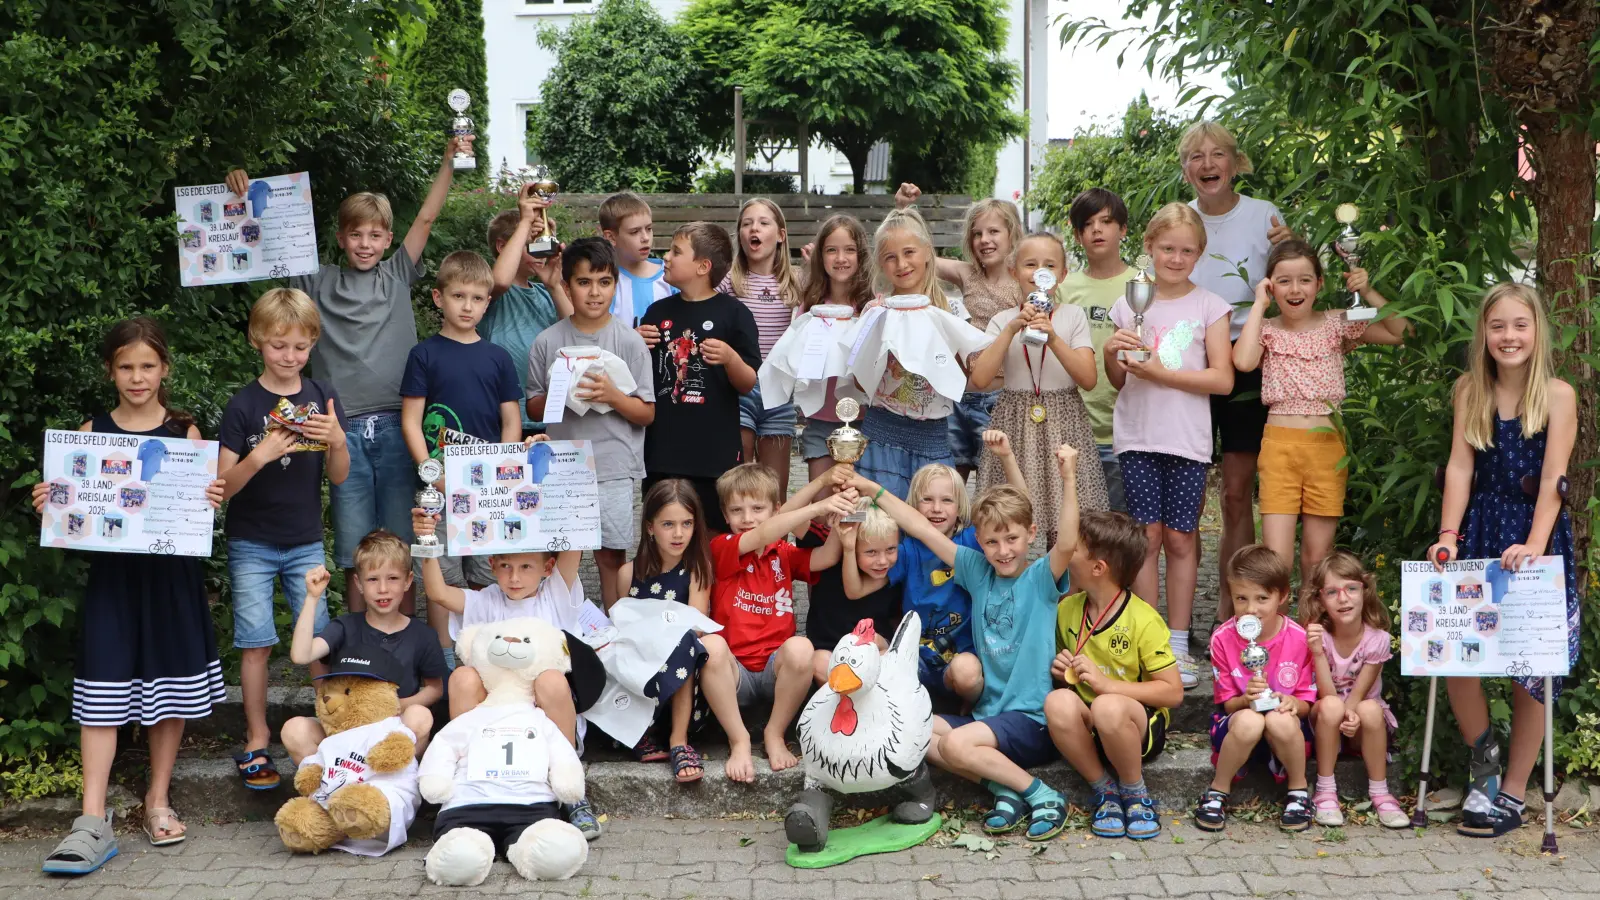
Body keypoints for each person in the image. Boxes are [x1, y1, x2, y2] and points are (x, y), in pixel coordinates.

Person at [226, 134, 469, 615]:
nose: (365, 243)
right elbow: (278, 235)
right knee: (356, 551)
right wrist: (245, 192)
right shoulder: (316, 281)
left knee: (403, 545)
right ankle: (360, 647)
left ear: (387, 238)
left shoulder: (399, 273)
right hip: (340, 433)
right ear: (340, 238)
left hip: (402, 429)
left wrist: (448, 161)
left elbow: (425, 218)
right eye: (356, 234)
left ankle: (404, 643)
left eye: (376, 235)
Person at [33, 318, 227, 873]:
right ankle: (92, 819)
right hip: (113, 581)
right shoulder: (89, 430)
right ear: (110, 371)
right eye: (125, 366)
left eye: (147, 365)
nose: (137, 377)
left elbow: (198, 508)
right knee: (102, 688)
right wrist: (53, 500)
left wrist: (208, 496)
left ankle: (156, 800)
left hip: (171, 580)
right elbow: (76, 511)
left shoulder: (186, 432)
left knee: (170, 687)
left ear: (164, 368)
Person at [840, 445, 1080, 842]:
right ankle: (1005, 791)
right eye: (992, 543)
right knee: (911, 730)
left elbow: (1068, 544)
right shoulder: (974, 570)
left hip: (1030, 720)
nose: (1003, 551)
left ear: (1031, 536)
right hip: (988, 716)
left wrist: (1068, 477)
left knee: (954, 744)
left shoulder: (1040, 578)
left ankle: (1044, 795)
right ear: (978, 543)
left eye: (1012, 540)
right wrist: (870, 488)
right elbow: (919, 528)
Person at [1427, 282, 1578, 838]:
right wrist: (1449, 534)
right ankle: (1484, 759)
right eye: (1498, 326)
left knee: (1529, 667)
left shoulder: (1558, 395)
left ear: (1537, 331)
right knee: (1456, 653)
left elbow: (1554, 479)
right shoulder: (1470, 389)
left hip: (1535, 536)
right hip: (1481, 532)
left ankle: (1514, 792)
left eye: (1519, 325)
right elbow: (1460, 468)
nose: (1508, 336)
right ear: (1483, 334)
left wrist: (1536, 544)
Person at [411, 502, 610, 840]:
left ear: (547, 567)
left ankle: (571, 794)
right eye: (505, 566)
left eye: (526, 567)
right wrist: (428, 539)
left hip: (542, 714)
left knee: (550, 679)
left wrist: (549, 470)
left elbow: (573, 532)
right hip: (495, 713)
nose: (514, 577)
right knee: (462, 677)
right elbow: (437, 593)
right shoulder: (485, 599)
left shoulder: (558, 594)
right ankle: (465, 773)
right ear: (491, 564)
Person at [217, 288, 350, 792]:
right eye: (278, 345)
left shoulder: (322, 397)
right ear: (257, 341)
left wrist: (337, 440)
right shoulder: (243, 405)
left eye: (298, 346)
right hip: (250, 540)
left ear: (312, 343)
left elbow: (339, 476)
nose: (288, 356)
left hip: (304, 540)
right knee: (256, 644)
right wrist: (261, 454)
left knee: (318, 639)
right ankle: (257, 738)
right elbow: (223, 487)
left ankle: (333, 732)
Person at [1103, 203, 1234, 689]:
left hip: (1187, 441)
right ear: (1149, 248)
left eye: (1186, 250)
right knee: (1148, 539)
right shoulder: (1130, 301)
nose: (1176, 258)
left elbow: (1222, 379)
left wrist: (1160, 372)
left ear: (1199, 254)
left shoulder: (1210, 306)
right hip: (1137, 436)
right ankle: (1149, 640)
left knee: (1181, 539)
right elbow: (1118, 380)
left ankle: (1178, 642)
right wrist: (1110, 352)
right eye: (1166, 249)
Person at [1176, 121, 1295, 622]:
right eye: (1197, 156)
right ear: (1185, 169)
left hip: (1249, 358)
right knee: (1191, 490)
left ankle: (1234, 604)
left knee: (1236, 489)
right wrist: (1158, 362)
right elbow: (1172, 298)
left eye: (1217, 154)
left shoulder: (1265, 215)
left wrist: (1290, 246)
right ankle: (1173, 621)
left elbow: (1293, 285)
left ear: (1235, 161)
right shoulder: (1181, 222)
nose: (1208, 164)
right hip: (1196, 361)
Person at [1234, 239, 1406, 579]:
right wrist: (1258, 305)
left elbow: (1402, 332)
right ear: (1270, 284)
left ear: (1320, 283)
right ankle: (1277, 632)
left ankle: (1313, 632)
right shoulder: (1267, 330)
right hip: (1279, 446)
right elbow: (1242, 361)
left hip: (1327, 446)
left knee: (1316, 557)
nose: (1295, 289)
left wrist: (1367, 289)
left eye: (1305, 279)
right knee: (1276, 562)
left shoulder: (1336, 323)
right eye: (1283, 280)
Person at [401, 250, 525, 667]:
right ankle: (444, 657)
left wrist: (502, 473)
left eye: (477, 297)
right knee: (442, 571)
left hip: (487, 488)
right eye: (458, 296)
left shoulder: (498, 357)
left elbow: (511, 421)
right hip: (437, 488)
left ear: (488, 301)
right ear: (439, 298)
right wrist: (433, 477)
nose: (467, 305)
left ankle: (487, 652)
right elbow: (412, 422)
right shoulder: (423, 354)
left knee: (489, 572)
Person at [526, 238, 654, 612]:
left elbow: (647, 413)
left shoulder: (630, 342)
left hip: (614, 465)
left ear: (616, 284)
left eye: (603, 281)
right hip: (562, 465)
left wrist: (612, 395)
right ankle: (555, 627)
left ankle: (614, 630)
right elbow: (534, 404)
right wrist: (560, 388)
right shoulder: (547, 341)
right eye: (583, 282)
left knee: (611, 555)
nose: (594, 292)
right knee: (556, 552)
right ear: (566, 286)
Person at [709, 463, 856, 771]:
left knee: (802, 647)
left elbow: (825, 558)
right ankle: (739, 741)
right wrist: (818, 500)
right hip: (734, 672)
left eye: (757, 508)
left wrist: (840, 529)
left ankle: (774, 734)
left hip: (776, 670)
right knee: (710, 647)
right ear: (725, 516)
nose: (747, 518)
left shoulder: (783, 552)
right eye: (737, 510)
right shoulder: (722, 546)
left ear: (774, 509)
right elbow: (765, 530)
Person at [1044, 511, 1180, 841]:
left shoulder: (1143, 619)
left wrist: (1107, 686)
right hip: (1091, 730)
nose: (1063, 551)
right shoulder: (1067, 609)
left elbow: (1173, 693)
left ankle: (1134, 792)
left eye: (1072, 548)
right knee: (1057, 702)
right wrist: (1061, 672)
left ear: (1098, 568)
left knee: (1108, 705)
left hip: (1136, 727)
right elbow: (1064, 681)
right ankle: (1104, 790)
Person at [970, 231, 1107, 533]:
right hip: (1014, 422)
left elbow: (1088, 378)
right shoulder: (1001, 319)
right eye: (1030, 264)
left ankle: (1060, 579)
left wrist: (1054, 337)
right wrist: (1009, 330)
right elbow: (980, 378)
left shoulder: (1072, 316)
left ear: (1063, 274)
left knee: (1066, 521)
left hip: (1064, 421)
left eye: (1050, 265)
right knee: (1008, 517)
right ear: (1013, 271)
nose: (1039, 272)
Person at [619, 480, 753, 783]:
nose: (679, 533)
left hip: (684, 680)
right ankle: (638, 730)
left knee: (684, 641)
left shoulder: (697, 570)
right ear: (650, 527)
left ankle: (678, 740)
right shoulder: (628, 574)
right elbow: (620, 625)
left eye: (687, 523)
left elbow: (695, 625)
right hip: (642, 672)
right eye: (668, 524)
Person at [851, 208, 990, 500]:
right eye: (890, 257)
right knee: (878, 529)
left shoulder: (951, 311)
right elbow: (861, 381)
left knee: (930, 527)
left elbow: (961, 379)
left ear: (928, 252)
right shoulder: (875, 312)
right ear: (880, 263)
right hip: (881, 432)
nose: (901, 264)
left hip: (932, 436)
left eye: (909, 252)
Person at [636, 223, 761, 535]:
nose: (666, 257)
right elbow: (638, 373)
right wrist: (634, 341)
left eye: (676, 251)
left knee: (715, 539)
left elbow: (748, 382)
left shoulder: (735, 314)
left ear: (703, 266)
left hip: (714, 457)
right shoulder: (655, 311)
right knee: (664, 535)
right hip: (662, 453)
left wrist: (731, 359)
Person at [843, 458, 996, 711]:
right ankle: (895, 715)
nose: (937, 508)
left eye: (947, 500)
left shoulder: (972, 540)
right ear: (913, 506)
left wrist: (1006, 458)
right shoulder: (908, 551)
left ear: (960, 506)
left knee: (967, 672)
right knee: (870, 651)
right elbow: (855, 590)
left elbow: (1018, 510)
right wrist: (849, 548)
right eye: (927, 500)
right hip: (914, 663)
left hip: (960, 662)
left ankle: (969, 712)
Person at [894, 184, 1024, 479]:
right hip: (958, 397)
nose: (984, 240)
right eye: (977, 234)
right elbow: (921, 255)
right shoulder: (967, 274)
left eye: (993, 232)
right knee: (949, 480)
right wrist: (904, 211)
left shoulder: (1022, 281)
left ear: (1012, 234)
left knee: (994, 484)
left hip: (1000, 398)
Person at [282, 549, 445, 760]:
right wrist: (312, 598)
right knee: (294, 729)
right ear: (358, 583)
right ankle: (330, 788)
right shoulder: (344, 626)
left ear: (408, 581)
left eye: (393, 578)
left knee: (420, 717)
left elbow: (436, 688)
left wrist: (394, 707)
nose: (383, 589)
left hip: (392, 728)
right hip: (344, 729)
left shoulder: (422, 635)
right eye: (372, 579)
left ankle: (394, 783)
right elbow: (301, 656)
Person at [1197, 545, 1316, 833]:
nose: (1251, 609)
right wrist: (1246, 699)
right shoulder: (1223, 638)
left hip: (1286, 731)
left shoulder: (1300, 639)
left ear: (1282, 595)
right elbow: (1227, 705)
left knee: (1279, 718)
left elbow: (1307, 704)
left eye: (1262, 598)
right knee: (1251, 720)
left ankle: (1298, 791)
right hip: (1239, 725)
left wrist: (1290, 702)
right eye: (1241, 598)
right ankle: (1217, 791)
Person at [1302, 550, 1406, 829]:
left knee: (1370, 708)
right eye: (1332, 592)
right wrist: (1317, 653)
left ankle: (1381, 793)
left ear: (1365, 591)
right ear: (1321, 600)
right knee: (1332, 705)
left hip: (1361, 723)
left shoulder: (1378, 639)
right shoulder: (1318, 637)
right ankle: (1325, 791)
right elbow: (1325, 694)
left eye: (1351, 588)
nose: (1343, 598)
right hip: (1327, 720)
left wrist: (1352, 716)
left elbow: (1361, 693)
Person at [1057, 188, 1136, 511]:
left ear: (1123, 230)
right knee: (1078, 526)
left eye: (1106, 221)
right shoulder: (1064, 289)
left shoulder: (1144, 285)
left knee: (1121, 529)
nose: (1097, 230)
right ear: (1077, 235)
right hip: (1076, 425)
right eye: (1087, 224)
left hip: (1128, 428)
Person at [720, 198, 803, 498]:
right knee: (737, 482)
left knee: (775, 487)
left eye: (763, 223)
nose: (754, 228)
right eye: (747, 223)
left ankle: (777, 544)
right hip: (738, 389)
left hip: (778, 391)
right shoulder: (730, 281)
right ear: (740, 235)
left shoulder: (796, 281)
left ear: (780, 235)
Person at [486, 183, 575, 436]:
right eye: (531, 243)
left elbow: (576, 331)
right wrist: (525, 222)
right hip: (503, 418)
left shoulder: (545, 294)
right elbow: (500, 281)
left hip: (549, 416)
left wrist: (555, 286)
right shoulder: (489, 293)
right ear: (504, 246)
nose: (540, 250)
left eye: (544, 241)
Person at [796, 214, 874, 482]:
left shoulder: (871, 305)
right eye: (832, 250)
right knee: (821, 510)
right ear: (820, 256)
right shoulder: (811, 303)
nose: (841, 258)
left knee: (858, 508)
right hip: (820, 420)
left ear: (861, 254)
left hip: (865, 421)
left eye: (849, 250)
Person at [805, 503, 903, 682]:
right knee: (819, 662)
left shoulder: (894, 571)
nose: (882, 561)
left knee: (879, 647)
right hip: (830, 651)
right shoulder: (827, 558)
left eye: (891, 549)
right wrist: (823, 484)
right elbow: (786, 514)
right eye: (871, 552)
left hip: (873, 651)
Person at [599, 191, 677, 324]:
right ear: (611, 237)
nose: (645, 238)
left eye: (649, 228)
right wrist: (633, 339)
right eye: (634, 232)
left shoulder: (671, 275)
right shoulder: (603, 281)